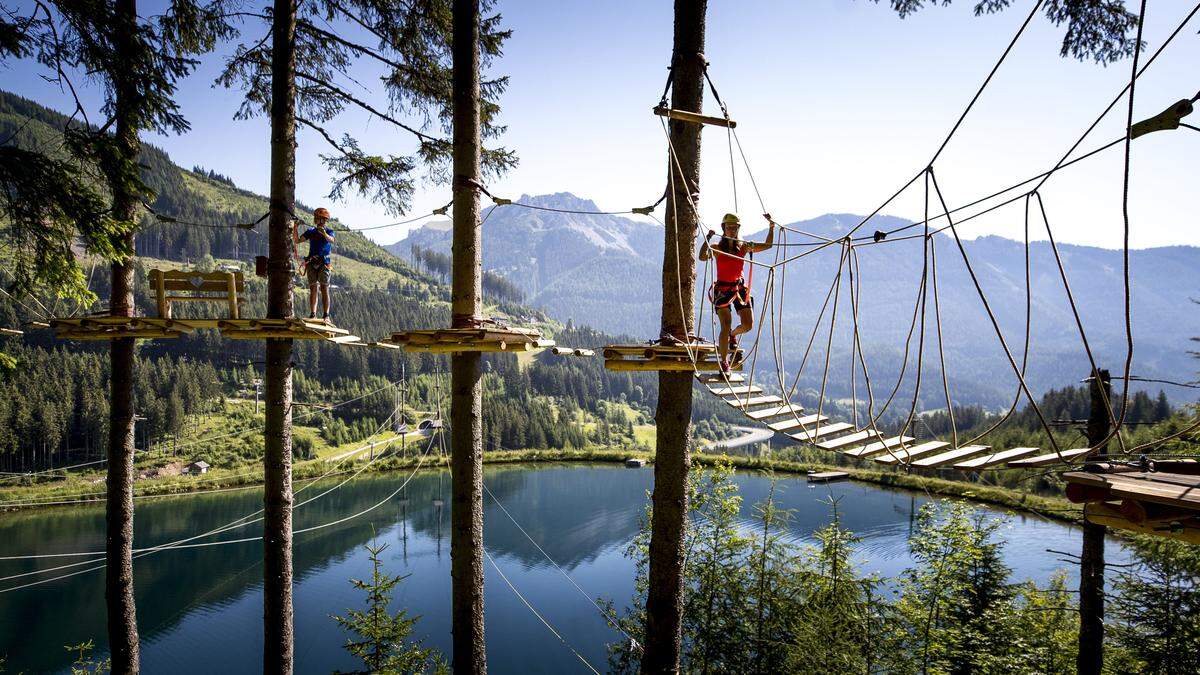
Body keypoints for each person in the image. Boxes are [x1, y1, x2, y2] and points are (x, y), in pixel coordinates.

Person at [699, 212, 775, 372]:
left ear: (738, 228)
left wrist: (771, 227)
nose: (732, 230)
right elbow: (702, 257)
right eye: (729, 228)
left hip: (739, 289)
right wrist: (707, 238)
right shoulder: (717, 248)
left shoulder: (744, 247)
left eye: (735, 228)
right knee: (725, 325)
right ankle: (724, 363)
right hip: (722, 291)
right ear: (724, 229)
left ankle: (733, 334)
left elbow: (768, 245)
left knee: (748, 325)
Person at [293, 207, 336, 321]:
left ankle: (326, 315)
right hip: (312, 262)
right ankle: (313, 314)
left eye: (321, 219)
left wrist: (324, 234)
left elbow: (331, 240)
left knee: (324, 288)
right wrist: (295, 227)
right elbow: (297, 240)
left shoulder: (330, 231)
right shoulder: (311, 232)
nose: (318, 221)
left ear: (324, 221)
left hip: (324, 263)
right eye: (317, 219)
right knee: (313, 288)